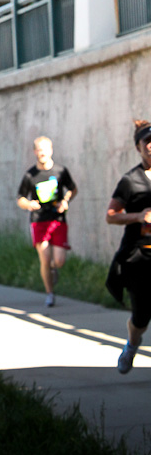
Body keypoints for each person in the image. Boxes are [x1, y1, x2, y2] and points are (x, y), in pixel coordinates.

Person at [106, 119, 151, 374]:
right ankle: (132, 345)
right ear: (138, 147)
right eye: (147, 142)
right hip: (139, 257)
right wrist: (137, 216)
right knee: (142, 316)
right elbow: (111, 215)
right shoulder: (130, 180)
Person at [17, 136, 77, 307]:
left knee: (58, 260)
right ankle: (50, 293)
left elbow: (73, 189)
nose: (42, 152)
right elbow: (20, 198)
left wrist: (65, 201)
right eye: (39, 149)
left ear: (51, 150)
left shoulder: (60, 171)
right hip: (38, 220)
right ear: (35, 152)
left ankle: (52, 269)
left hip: (57, 219)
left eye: (45, 149)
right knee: (44, 257)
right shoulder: (30, 175)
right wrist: (28, 204)